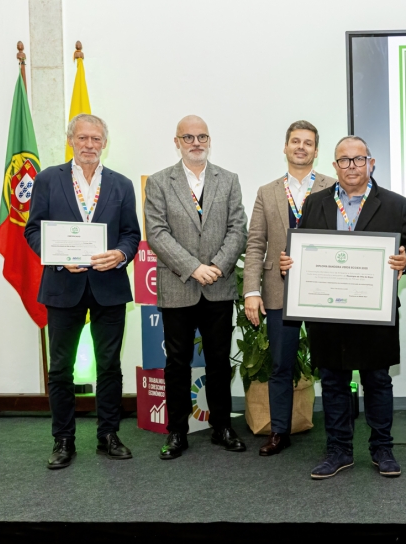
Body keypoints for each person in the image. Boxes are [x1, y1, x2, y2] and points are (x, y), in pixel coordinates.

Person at [283, 135, 406, 478]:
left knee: (377, 381)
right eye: (344, 160)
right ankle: (339, 450)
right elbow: (304, 248)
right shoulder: (316, 203)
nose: (352, 166)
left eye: (359, 159)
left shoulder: (395, 204)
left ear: (370, 163)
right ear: (334, 166)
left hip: (375, 309)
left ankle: (382, 449)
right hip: (328, 311)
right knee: (333, 381)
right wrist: (291, 263)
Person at [25, 113, 141, 469]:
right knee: (61, 368)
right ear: (71, 140)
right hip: (63, 286)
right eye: (82, 138)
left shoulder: (121, 184)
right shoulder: (48, 179)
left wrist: (121, 254)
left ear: (104, 143)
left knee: (109, 366)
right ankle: (63, 439)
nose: (89, 145)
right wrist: (57, 257)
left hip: (109, 287)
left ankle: (108, 435)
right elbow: (33, 230)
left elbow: (131, 234)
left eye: (96, 139)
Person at [144, 115, 248, 460]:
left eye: (202, 136)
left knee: (219, 361)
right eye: (188, 137)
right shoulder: (160, 182)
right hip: (178, 286)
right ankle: (177, 431)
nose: (196, 143)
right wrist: (194, 268)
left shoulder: (228, 180)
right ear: (177, 142)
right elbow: (157, 233)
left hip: (218, 285)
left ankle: (222, 426)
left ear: (209, 140)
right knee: (177, 363)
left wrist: (217, 266)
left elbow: (238, 229)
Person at [242, 120, 335, 456]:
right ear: (285, 147)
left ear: (316, 151)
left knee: (331, 366)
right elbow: (256, 244)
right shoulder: (267, 192)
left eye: (308, 143)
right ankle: (279, 431)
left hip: (322, 291)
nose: (301, 147)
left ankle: (337, 436)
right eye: (295, 141)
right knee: (281, 365)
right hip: (278, 290)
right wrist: (251, 291)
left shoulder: (333, 187)